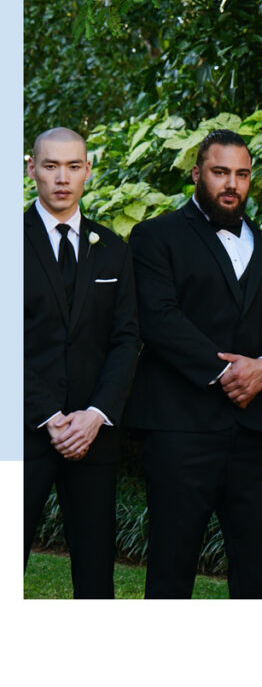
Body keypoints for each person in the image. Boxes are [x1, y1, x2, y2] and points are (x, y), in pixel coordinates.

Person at [127, 129, 262, 598]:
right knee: (171, 570)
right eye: (220, 172)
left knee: (255, 575)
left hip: (257, 434)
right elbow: (159, 317)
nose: (232, 183)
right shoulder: (156, 236)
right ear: (197, 174)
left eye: (242, 174)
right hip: (180, 430)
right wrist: (228, 371)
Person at [24, 127, 140, 598]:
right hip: (21, 431)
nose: (62, 178)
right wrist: (49, 416)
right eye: (50, 166)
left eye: (73, 166)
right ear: (31, 170)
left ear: (88, 171)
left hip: (93, 437)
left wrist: (95, 415)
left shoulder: (112, 248)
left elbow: (127, 338)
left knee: (95, 577)